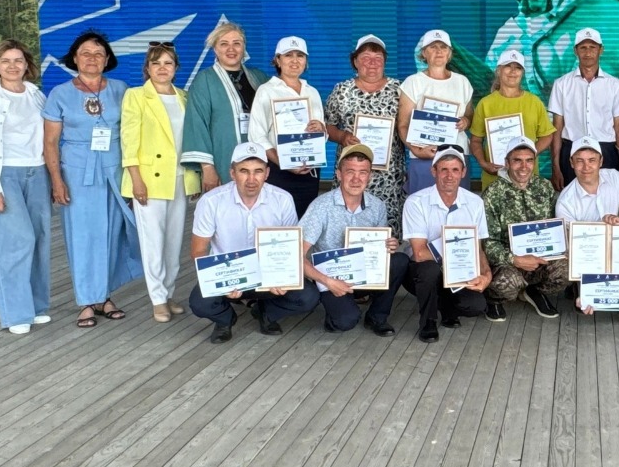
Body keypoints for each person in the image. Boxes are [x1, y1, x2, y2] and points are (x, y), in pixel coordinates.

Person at [43, 29, 142, 328]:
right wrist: (57, 180)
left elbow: (134, 132)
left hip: (115, 169)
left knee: (114, 233)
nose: (92, 58)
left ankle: (104, 296)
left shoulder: (121, 89)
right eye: (85, 53)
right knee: (83, 236)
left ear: (107, 59)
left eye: (99, 54)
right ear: (74, 58)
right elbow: (50, 142)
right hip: (77, 172)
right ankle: (86, 301)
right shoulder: (60, 94)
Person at [188, 143, 318, 342]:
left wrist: (283, 276)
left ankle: (266, 312)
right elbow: (198, 250)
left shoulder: (282, 199)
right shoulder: (211, 201)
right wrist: (218, 278)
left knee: (308, 297)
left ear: (267, 173)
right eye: (244, 171)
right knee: (199, 303)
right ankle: (225, 319)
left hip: (268, 273)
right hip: (229, 272)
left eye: (258, 171)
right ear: (232, 173)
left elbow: (291, 246)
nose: (251, 179)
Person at [0, 39, 51, 335]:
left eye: (18, 60)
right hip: (4, 176)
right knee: (14, 242)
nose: (13, 66)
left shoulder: (36, 95)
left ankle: (36, 306)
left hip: (37, 172)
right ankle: (15, 313)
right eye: (5, 61)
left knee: (38, 240)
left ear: (27, 64)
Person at [122, 42, 200, 322]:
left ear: (176, 68)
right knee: (153, 242)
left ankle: (168, 293)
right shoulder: (135, 96)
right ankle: (157, 299)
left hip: (179, 178)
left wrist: (196, 177)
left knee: (173, 242)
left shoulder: (184, 97)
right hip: (149, 180)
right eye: (156, 63)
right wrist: (136, 179)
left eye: (168, 63)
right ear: (147, 68)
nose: (162, 68)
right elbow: (129, 141)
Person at [300, 143, 409, 336]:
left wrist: (388, 245)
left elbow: (379, 250)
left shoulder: (377, 206)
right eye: (350, 172)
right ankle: (337, 312)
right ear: (339, 175)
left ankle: (377, 317)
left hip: (365, 272)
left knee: (399, 260)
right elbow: (296, 254)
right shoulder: (321, 206)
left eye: (363, 172)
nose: (356, 179)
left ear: (370, 176)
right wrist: (327, 281)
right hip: (332, 277)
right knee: (345, 321)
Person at [402, 144, 493, 341]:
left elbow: (477, 248)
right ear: (433, 171)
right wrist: (456, 244)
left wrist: (486, 274)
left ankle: (446, 306)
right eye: (444, 169)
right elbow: (419, 253)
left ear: (463, 172)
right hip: (421, 272)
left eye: (455, 170)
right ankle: (428, 321)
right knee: (429, 269)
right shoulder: (415, 202)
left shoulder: (475, 202)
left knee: (476, 305)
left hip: (458, 272)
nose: (449, 176)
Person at [558, 136, 619, 323]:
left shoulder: (614, 177)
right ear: (571, 163)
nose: (586, 167)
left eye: (592, 160)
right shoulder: (565, 201)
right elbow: (573, 247)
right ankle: (581, 288)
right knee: (585, 298)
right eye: (580, 161)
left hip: (615, 243)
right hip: (586, 250)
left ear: (601, 161)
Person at [326, 34, 408, 230]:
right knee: (346, 226)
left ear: (385, 62)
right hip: (351, 173)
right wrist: (342, 136)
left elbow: (409, 125)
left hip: (389, 177)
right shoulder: (342, 90)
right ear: (355, 61)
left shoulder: (400, 89)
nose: (372, 63)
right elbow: (327, 126)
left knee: (387, 231)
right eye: (365, 58)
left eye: (378, 58)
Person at [481, 136, 565, 320]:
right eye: (517, 161)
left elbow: (556, 226)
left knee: (565, 270)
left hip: (540, 258)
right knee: (508, 283)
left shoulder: (544, 187)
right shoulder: (493, 193)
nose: (524, 166)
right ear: (507, 163)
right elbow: (487, 242)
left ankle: (534, 292)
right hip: (507, 263)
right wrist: (515, 259)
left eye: (529, 160)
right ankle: (493, 299)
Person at [182, 20, 267, 193]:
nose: (231, 49)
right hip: (223, 158)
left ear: (244, 48)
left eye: (237, 43)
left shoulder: (259, 78)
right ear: (215, 49)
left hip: (259, 157)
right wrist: (207, 168)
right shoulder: (204, 80)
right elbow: (197, 125)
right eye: (224, 44)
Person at [249, 35, 326, 217]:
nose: (294, 60)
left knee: (306, 221)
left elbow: (321, 135)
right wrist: (283, 162)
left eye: (300, 55)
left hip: (309, 170)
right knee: (279, 223)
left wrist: (321, 129)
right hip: (278, 170)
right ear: (278, 60)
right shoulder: (266, 91)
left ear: (306, 61)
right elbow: (257, 136)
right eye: (288, 55)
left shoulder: (312, 92)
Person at [547, 27, 619, 187]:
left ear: (601, 50)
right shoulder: (561, 84)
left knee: (607, 199)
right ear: (575, 51)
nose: (588, 52)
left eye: (593, 47)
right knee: (573, 199)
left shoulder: (614, 85)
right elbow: (557, 128)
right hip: (572, 151)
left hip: (606, 150)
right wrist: (556, 167)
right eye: (583, 48)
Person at [399, 29, 474, 194]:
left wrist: (466, 122)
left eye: (443, 47)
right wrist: (417, 150)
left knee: (457, 206)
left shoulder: (462, 82)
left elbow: (469, 116)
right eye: (433, 47)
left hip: (457, 156)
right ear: (424, 53)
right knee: (422, 204)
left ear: (450, 53)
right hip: (425, 157)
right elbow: (403, 124)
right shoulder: (413, 82)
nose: (439, 51)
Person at [470, 49, 553, 189]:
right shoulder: (485, 103)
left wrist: (529, 154)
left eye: (518, 67)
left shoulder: (534, 102)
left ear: (522, 73)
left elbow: (547, 135)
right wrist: (484, 164)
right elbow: (475, 140)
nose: (513, 71)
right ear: (498, 71)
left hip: (527, 178)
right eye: (508, 66)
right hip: (495, 178)